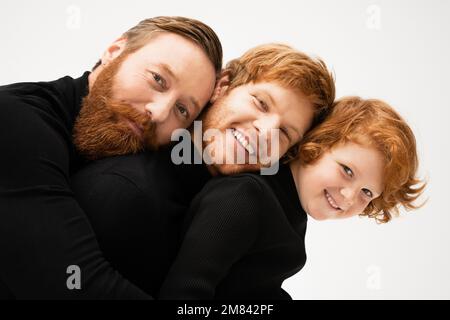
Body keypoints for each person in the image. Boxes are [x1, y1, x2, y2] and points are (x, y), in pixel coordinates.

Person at [70, 43, 336, 297]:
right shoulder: (125, 192)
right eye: (261, 103)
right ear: (223, 86)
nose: (265, 133)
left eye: (283, 133)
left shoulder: (237, 211)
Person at [0, 16, 222, 299]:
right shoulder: (15, 121)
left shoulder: (125, 153)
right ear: (115, 51)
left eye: (182, 110)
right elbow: (76, 285)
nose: (159, 113)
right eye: (158, 80)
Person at [158, 96, 425, 299]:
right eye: (346, 170)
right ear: (316, 144)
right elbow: (185, 294)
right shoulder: (246, 197)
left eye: (367, 193)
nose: (348, 196)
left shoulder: (289, 208)